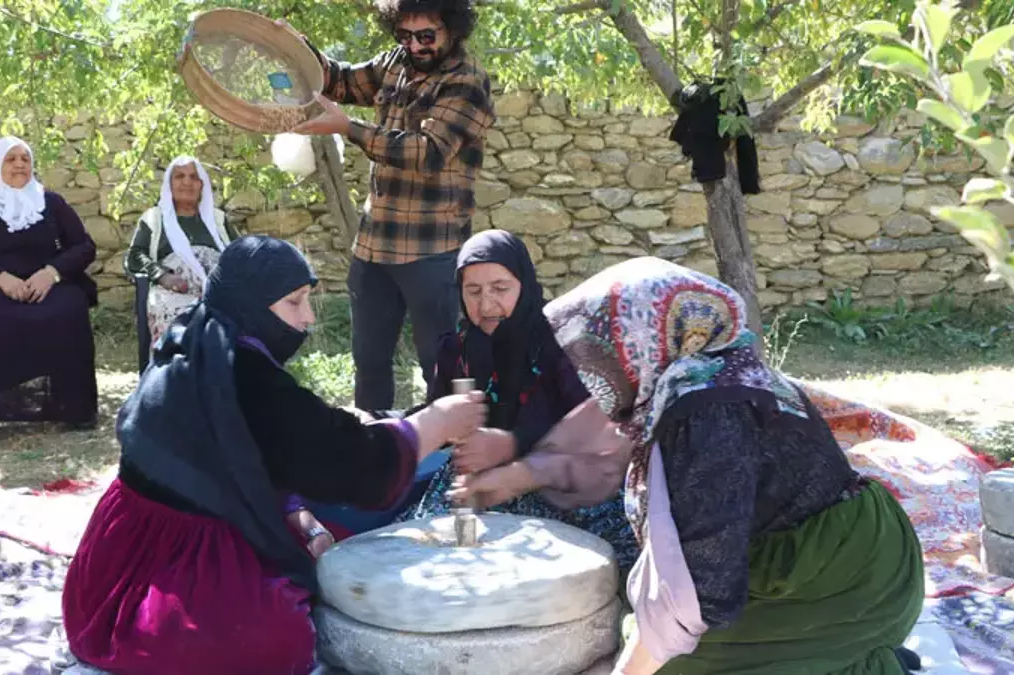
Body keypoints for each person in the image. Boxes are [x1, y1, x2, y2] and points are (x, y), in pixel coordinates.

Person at [454, 257, 926, 675]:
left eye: (598, 354)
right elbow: (591, 440)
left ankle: (862, 657)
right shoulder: (697, 369)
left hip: (851, 577)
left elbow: (703, 583)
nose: (588, 372)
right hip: (825, 550)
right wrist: (518, 474)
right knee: (640, 626)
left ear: (637, 342)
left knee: (672, 662)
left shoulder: (705, 411)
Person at [62, 235, 486, 675]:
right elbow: (353, 463)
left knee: (330, 530)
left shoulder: (195, 338)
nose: (308, 319)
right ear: (252, 304)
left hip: (107, 564)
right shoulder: (247, 378)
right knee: (278, 635)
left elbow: (256, 452)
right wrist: (435, 423)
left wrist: (297, 513)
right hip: (154, 577)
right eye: (294, 302)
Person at [280, 0, 496, 410]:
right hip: (373, 248)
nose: (414, 46)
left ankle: (449, 446)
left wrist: (349, 127)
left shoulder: (467, 81)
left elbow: (428, 152)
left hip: (432, 251)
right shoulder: (394, 62)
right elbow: (339, 81)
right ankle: (375, 441)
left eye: (426, 35)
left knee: (441, 369)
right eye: (404, 35)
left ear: (453, 28)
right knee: (369, 365)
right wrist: (297, 48)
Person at [397, 230, 639, 577]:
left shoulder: (563, 341)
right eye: (473, 291)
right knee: (429, 557)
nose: (486, 305)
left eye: (500, 288)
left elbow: (597, 427)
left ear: (523, 284)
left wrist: (512, 443)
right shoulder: (457, 349)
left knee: (578, 569)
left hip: (560, 478)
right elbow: (438, 415)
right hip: (478, 479)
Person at [0, 136, 98, 445]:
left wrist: (51, 274)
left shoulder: (51, 203)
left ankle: (74, 407)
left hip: (44, 284)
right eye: (11, 159)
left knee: (69, 308)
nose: (20, 164)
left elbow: (84, 246)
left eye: (25, 158)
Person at [123, 156, 237, 347]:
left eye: (194, 177)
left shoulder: (218, 219)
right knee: (183, 324)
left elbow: (240, 253)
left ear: (201, 185)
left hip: (218, 292)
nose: (187, 182)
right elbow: (135, 255)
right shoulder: (154, 218)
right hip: (172, 292)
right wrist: (162, 276)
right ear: (169, 184)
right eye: (179, 176)